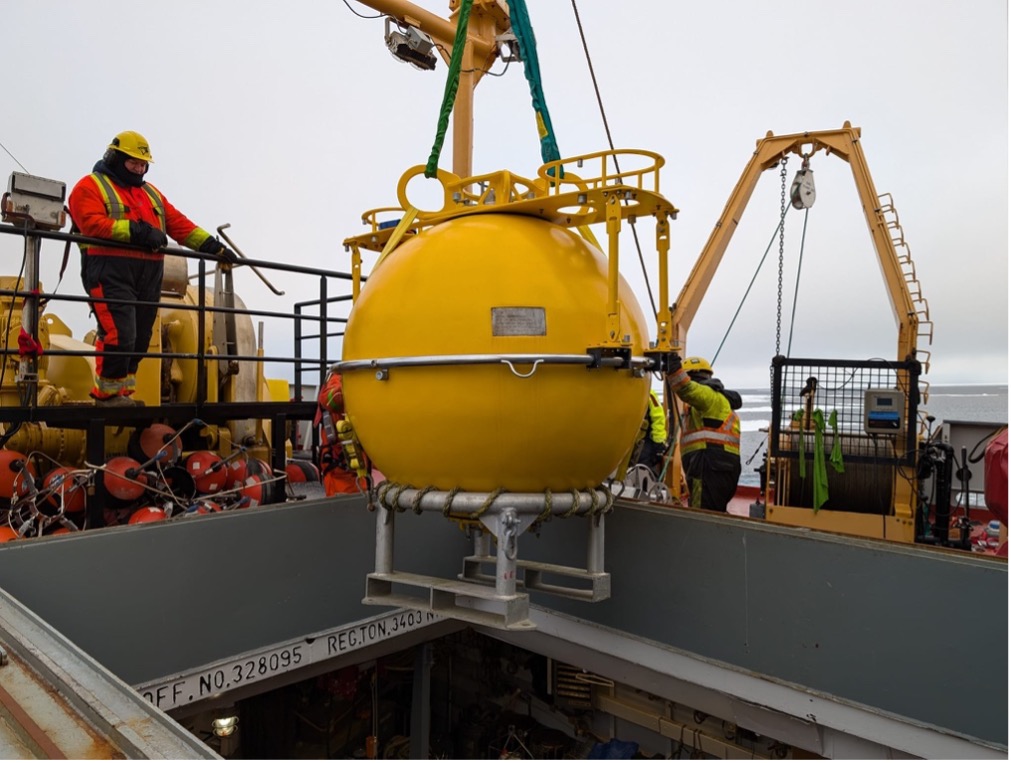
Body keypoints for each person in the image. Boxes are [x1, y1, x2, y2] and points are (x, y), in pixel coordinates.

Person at [68, 130, 235, 406]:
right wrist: (138, 232)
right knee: (120, 334)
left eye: (143, 164)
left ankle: (122, 392)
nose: (139, 168)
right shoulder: (89, 187)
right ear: (115, 157)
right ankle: (106, 395)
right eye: (134, 163)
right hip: (109, 272)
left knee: (141, 339)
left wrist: (212, 247)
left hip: (147, 277)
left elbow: (179, 224)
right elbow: (91, 224)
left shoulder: (152, 195)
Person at [667, 356, 741, 511]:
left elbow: (687, 389)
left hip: (709, 467)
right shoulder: (714, 401)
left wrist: (674, 369)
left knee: (704, 513)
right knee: (713, 510)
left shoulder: (708, 396)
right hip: (717, 467)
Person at [636, 389, 669, 476]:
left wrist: (658, 442)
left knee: (643, 469)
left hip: (642, 442)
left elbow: (658, 417)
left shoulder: (648, 394)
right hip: (632, 443)